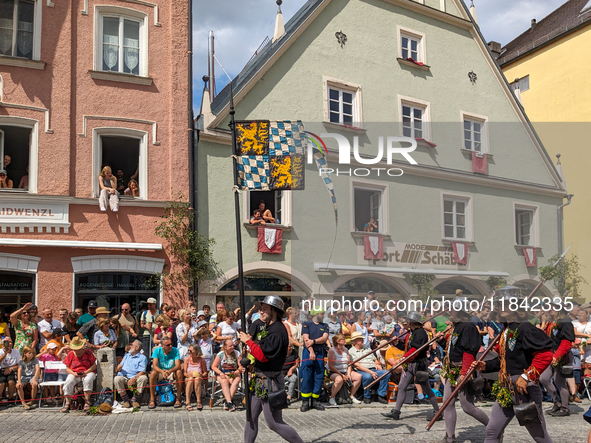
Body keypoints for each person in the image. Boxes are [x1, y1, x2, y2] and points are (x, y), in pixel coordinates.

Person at [471, 302, 554, 443]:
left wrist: (527, 376)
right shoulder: (506, 330)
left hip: (524, 389)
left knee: (539, 435)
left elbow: (545, 355)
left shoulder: (525, 327)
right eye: (500, 305)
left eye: (507, 305)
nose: (501, 308)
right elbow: (504, 360)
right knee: (492, 431)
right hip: (506, 387)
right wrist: (485, 366)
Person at [240, 295, 304, 443]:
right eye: (261, 309)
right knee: (251, 417)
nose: (261, 312)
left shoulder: (277, 330)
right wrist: (250, 363)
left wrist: (248, 341)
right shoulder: (268, 327)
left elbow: (264, 356)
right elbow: (260, 355)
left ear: (274, 311)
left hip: (271, 381)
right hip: (260, 380)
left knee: (274, 423)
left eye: (264, 309)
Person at [439, 309, 488, 443]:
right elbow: (453, 348)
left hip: (462, 369)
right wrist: (441, 341)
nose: (449, 314)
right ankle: (450, 438)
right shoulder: (456, 326)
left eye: (452, 312)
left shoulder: (468, 327)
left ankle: (494, 429)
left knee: (467, 407)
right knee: (447, 403)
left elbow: (468, 352)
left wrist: (464, 374)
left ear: (461, 313)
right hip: (452, 369)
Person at [382, 311, 441, 421]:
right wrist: (396, 342)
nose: (407, 322)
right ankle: (396, 411)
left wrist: (403, 359)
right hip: (410, 364)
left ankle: (438, 412)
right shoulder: (411, 333)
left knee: (427, 389)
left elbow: (415, 350)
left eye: (409, 320)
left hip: (419, 364)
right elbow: (406, 347)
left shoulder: (420, 333)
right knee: (402, 386)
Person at [540, 307, 576, 417]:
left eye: (554, 307)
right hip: (552, 355)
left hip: (562, 356)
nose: (551, 309)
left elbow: (566, 342)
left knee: (559, 382)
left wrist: (557, 356)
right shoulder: (552, 322)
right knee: (544, 378)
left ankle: (565, 408)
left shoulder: (566, 322)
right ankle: (557, 402)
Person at [300, 309, 329, 412]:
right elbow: (306, 339)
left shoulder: (324, 325)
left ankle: (315, 400)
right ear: (316, 314)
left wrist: (314, 341)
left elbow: (324, 338)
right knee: (307, 377)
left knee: (319, 376)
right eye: (322, 313)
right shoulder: (306, 324)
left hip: (320, 352)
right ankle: (305, 401)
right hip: (308, 352)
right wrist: (311, 351)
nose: (323, 315)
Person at [348, 331, 389, 404]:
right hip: (362, 371)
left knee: (386, 373)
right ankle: (367, 396)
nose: (363, 340)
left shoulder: (367, 348)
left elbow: (374, 359)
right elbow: (357, 365)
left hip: (374, 369)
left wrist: (377, 364)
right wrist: (370, 372)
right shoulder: (351, 351)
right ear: (355, 341)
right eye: (360, 339)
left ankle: (381, 395)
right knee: (368, 377)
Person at [62, 336, 97, 413]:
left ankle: (87, 401)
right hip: (74, 372)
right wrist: (73, 373)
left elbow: (94, 365)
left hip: (87, 371)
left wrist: (86, 372)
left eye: (78, 349)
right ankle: (67, 402)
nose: (77, 351)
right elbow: (67, 368)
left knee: (88, 379)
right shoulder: (70, 354)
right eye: (75, 349)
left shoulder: (87, 352)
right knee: (68, 381)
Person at [327, 334, 362, 406]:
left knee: (358, 376)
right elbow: (331, 366)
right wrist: (341, 375)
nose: (345, 340)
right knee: (339, 379)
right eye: (343, 339)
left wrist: (348, 374)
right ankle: (332, 397)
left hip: (345, 371)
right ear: (338, 341)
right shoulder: (332, 350)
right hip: (334, 371)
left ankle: (352, 396)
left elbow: (349, 363)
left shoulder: (346, 349)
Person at [148, 336, 182, 409]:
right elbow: (154, 366)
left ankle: (178, 398)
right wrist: (162, 372)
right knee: (153, 373)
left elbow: (178, 365)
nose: (171, 346)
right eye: (168, 345)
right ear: (162, 346)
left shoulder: (175, 350)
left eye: (171, 344)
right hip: (161, 371)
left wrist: (169, 371)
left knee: (179, 372)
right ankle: (152, 399)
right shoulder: (157, 351)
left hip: (171, 371)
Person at [211, 338, 244, 412]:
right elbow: (214, 366)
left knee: (237, 380)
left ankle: (228, 401)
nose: (232, 347)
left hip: (233, 373)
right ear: (225, 347)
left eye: (233, 345)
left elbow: (241, 366)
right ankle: (230, 402)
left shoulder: (237, 353)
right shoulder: (221, 354)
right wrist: (220, 373)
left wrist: (237, 371)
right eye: (230, 346)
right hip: (223, 372)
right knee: (224, 381)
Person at [114, 340, 148, 409]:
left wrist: (134, 378)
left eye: (132, 345)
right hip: (125, 376)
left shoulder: (142, 358)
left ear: (137, 348)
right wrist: (118, 367)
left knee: (144, 378)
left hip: (135, 377)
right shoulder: (127, 356)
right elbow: (120, 366)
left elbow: (142, 371)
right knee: (117, 379)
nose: (130, 346)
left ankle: (134, 400)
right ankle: (126, 400)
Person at [184, 343, 207, 411]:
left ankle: (198, 400)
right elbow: (184, 373)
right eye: (188, 350)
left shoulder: (202, 360)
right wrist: (188, 375)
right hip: (189, 377)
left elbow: (205, 372)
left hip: (198, 377)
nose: (189, 352)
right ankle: (187, 401)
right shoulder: (187, 359)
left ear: (196, 351)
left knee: (197, 380)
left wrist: (201, 375)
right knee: (190, 379)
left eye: (191, 351)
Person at [16, 345, 39, 410]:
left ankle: (32, 400)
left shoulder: (35, 360)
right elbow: (19, 371)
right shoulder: (21, 361)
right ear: (24, 353)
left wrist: (34, 379)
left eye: (32, 353)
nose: (31, 354)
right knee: (19, 386)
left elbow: (37, 369)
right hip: (24, 376)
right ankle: (23, 403)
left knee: (34, 384)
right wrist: (19, 381)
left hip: (32, 376)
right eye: (29, 353)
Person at [0, 337, 20, 404]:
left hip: (11, 370)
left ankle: (10, 399)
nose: (9, 344)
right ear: (3, 344)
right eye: (7, 342)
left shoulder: (16, 352)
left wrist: (11, 369)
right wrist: (5, 354)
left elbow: (19, 364)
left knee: (11, 381)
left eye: (11, 342)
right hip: (1, 370)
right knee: (1, 383)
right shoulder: (0, 352)